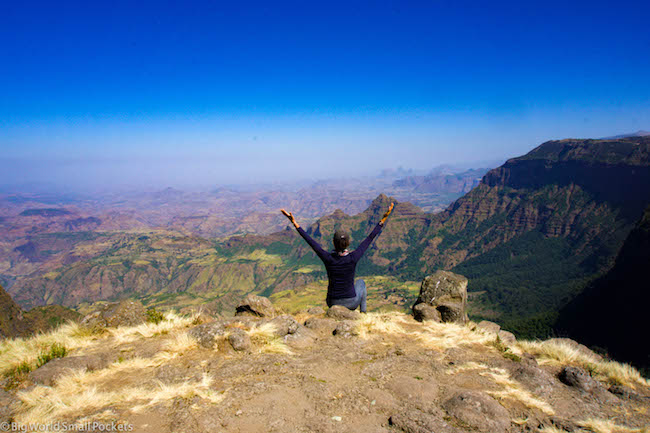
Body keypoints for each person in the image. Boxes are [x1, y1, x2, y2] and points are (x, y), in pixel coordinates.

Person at [280, 203, 394, 313]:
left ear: (333, 243)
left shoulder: (328, 258)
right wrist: (383, 219)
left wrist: (295, 223)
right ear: (348, 243)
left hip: (332, 302)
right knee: (361, 283)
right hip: (351, 303)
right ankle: (363, 314)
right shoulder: (353, 257)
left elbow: (310, 241)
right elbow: (370, 238)